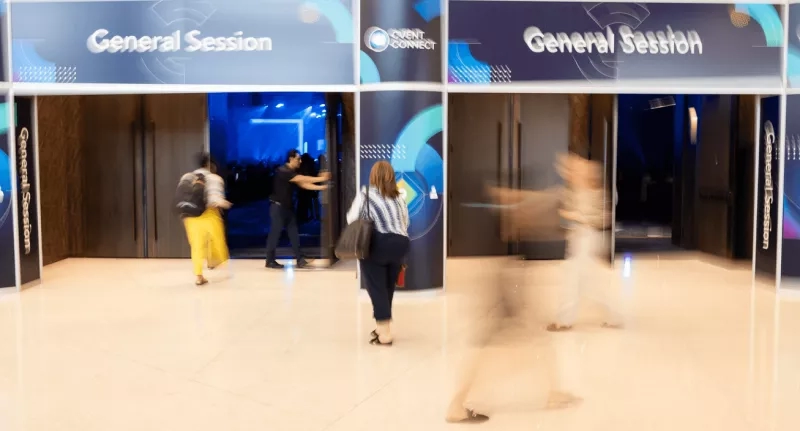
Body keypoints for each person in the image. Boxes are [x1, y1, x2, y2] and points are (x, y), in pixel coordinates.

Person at [446, 182, 577, 423]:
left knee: (532, 342)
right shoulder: (502, 222)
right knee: (491, 348)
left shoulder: (506, 219)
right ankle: (457, 403)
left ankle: (553, 393)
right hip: (502, 283)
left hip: (505, 279)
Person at [547, 152, 623, 331]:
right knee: (586, 282)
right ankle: (613, 316)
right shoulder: (582, 189)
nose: (566, 172)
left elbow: (591, 217)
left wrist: (569, 214)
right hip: (583, 238)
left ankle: (564, 321)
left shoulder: (588, 190)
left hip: (585, 238)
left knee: (574, 279)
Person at [346, 161, 409, 346]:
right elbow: (406, 223)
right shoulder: (399, 197)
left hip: (377, 244)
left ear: (373, 176)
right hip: (400, 244)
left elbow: (351, 218)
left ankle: (385, 333)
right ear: (391, 176)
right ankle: (382, 327)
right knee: (388, 286)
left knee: (377, 287)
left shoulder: (366, 194)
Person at [265, 149, 330, 269]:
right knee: (275, 234)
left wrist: (323, 187)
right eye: (298, 159)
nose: (300, 161)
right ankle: (269, 260)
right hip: (278, 208)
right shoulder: (283, 170)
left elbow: (304, 184)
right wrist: (321, 179)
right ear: (291, 158)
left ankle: (299, 259)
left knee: (294, 233)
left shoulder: (291, 172)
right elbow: (301, 179)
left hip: (288, 208)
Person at [183, 153, 231, 286]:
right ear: (210, 164)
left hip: (191, 216)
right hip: (209, 214)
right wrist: (225, 204)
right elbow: (215, 199)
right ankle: (213, 262)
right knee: (217, 241)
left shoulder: (187, 177)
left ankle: (199, 276)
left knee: (196, 246)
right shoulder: (214, 178)